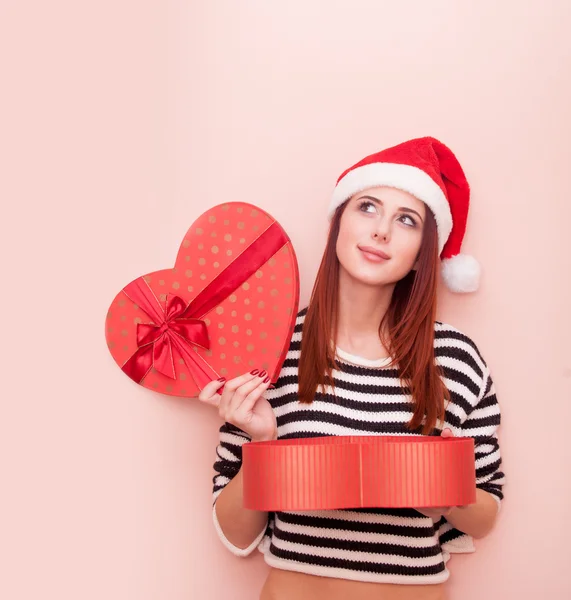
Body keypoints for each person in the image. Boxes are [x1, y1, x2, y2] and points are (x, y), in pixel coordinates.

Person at [198, 137, 505, 600]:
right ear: (338, 221)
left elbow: (485, 515)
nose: (381, 230)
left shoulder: (457, 359)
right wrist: (263, 444)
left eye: (407, 220)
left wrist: (435, 487)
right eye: (367, 207)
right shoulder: (273, 349)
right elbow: (234, 535)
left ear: (425, 246)